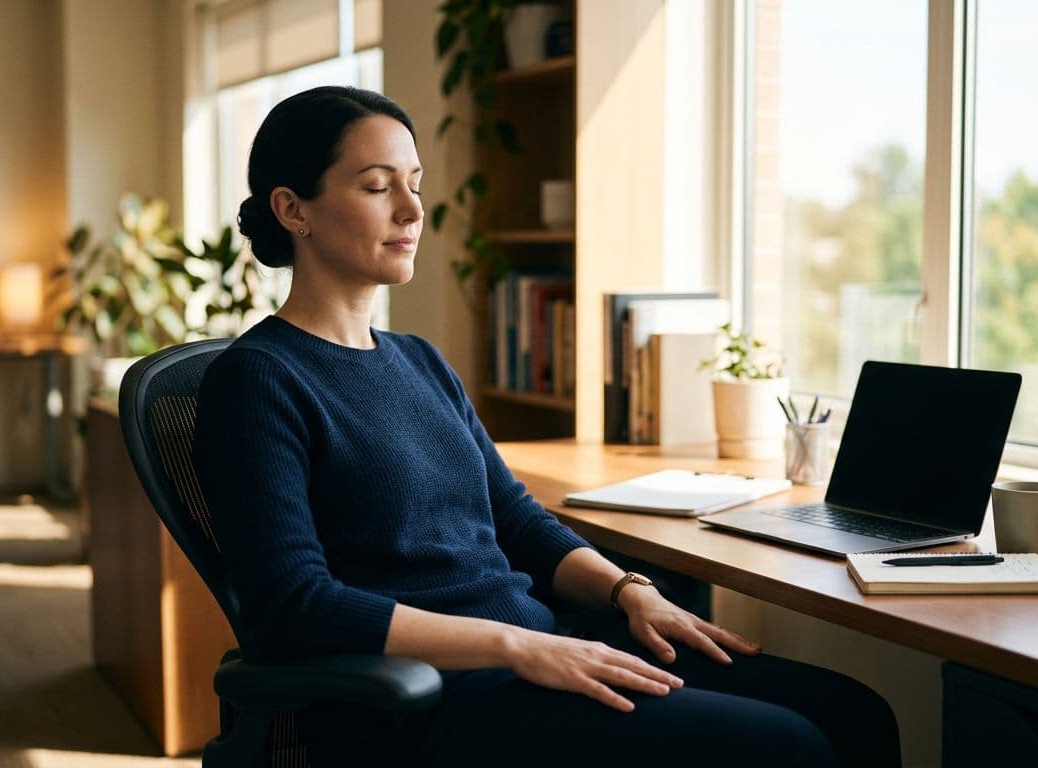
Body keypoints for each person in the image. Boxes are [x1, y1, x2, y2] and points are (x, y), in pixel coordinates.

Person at [193, 85, 900, 767]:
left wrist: (630, 591)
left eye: (414, 182)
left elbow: (517, 521)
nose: (412, 210)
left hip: (538, 647)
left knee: (853, 712)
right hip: (428, 700)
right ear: (294, 209)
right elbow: (293, 606)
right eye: (378, 187)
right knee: (787, 747)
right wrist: (513, 646)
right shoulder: (258, 380)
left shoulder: (417, 360)